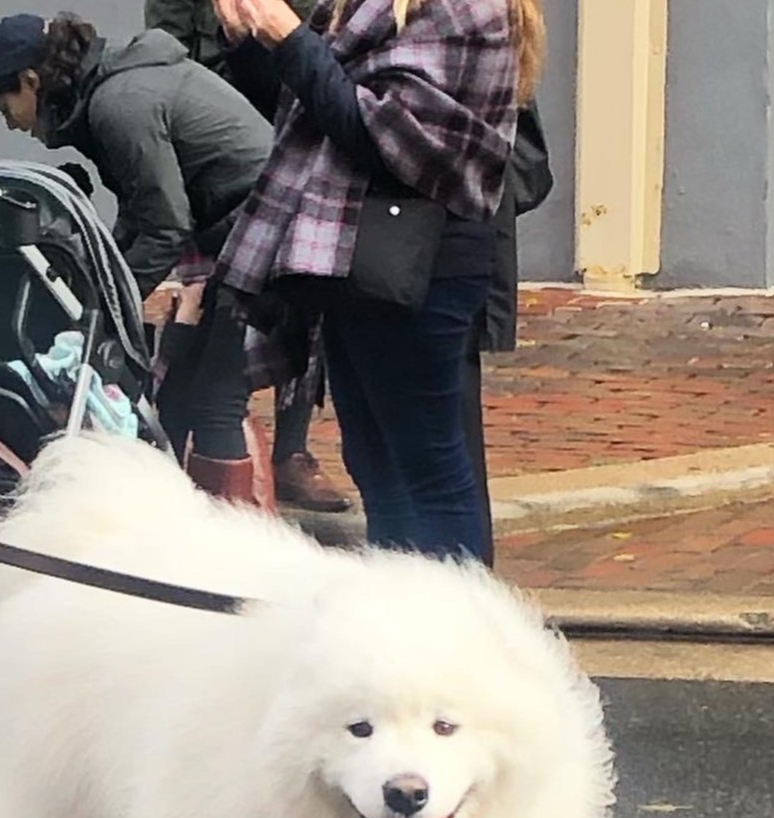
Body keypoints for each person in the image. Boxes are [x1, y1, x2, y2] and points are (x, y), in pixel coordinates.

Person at [211, 0, 539, 560]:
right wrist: (249, 41)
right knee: (374, 461)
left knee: (427, 466)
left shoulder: (466, 11)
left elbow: (389, 138)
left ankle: (452, 633)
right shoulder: (374, 7)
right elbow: (306, 109)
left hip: (417, 260)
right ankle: (398, 622)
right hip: (354, 253)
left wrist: (291, 40)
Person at [0, 12, 274, 503]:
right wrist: (97, 286)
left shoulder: (119, 104)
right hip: (244, 230)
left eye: (3, 103)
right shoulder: (110, 93)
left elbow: (165, 224)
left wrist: (108, 310)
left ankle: (226, 541)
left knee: (214, 397)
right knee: (177, 390)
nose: (7, 119)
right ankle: (174, 516)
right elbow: (142, 214)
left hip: (266, 233)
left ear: (31, 81)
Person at [144, 0, 349, 512]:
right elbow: (170, 39)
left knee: (300, 301)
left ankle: (291, 449)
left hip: (302, 103)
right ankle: (215, 443)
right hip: (220, 123)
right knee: (215, 308)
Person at [466, 92, 552, 568]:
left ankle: (463, 581)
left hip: (444, 262)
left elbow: (529, 166)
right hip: (434, 260)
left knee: (443, 452)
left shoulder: (478, 30)